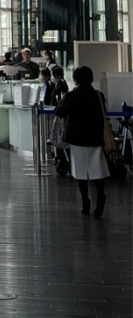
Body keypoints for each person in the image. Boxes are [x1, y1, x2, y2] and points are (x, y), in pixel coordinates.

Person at [55, 66, 109, 217]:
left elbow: (59, 112)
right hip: (95, 137)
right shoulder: (98, 95)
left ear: (75, 79)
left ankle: (85, 201)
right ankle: (100, 196)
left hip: (77, 138)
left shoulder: (71, 96)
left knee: (81, 172)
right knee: (97, 170)